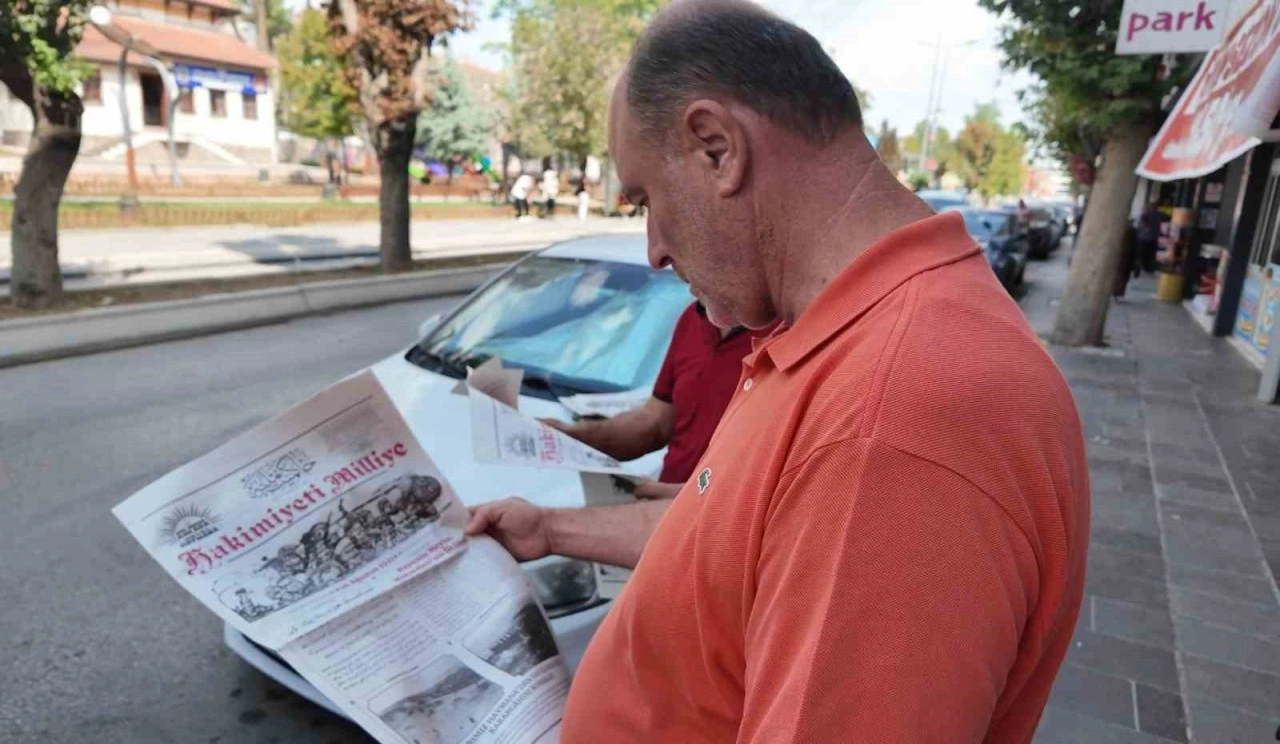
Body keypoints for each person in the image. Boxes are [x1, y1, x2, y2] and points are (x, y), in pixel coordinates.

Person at [466, 2, 1089, 742]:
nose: (654, 249)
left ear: (718, 149)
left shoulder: (889, 420)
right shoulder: (837, 334)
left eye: (646, 200)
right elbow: (733, 540)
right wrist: (550, 527)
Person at [543, 302, 774, 501]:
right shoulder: (693, 317)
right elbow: (655, 422)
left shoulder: (784, 334)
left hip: (719, 523)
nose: (660, 264)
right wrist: (572, 436)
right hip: (668, 515)